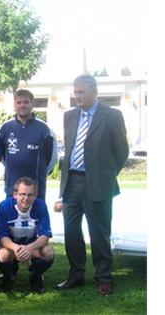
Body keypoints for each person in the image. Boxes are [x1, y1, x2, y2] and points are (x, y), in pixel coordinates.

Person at [54, 74, 129, 296]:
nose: (77, 96)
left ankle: (104, 277)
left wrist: (106, 174)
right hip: (72, 182)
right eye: (75, 92)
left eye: (81, 92)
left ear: (94, 91)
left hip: (98, 182)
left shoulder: (112, 115)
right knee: (71, 232)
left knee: (99, 232)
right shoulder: (69, 116)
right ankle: (76, 274)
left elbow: (121, 151)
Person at [0, 177, 54, 294]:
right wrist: (17, 248)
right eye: (22, 194)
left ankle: (36, 276)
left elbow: (45, 235)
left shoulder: (41, 205)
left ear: (35, 195)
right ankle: (8, 277)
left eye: (30, 195)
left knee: (49, 252)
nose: (26, 198)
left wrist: (29, 248)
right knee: (2, 255)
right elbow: (2, 236)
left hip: (32, 246)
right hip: (12, 246)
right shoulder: (4, 206)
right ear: (15, 194)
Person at [0, 89, 57, 201]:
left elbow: (51, 159)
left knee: (36, 218)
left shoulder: (44, 129)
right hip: (12, 189)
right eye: (19, 102)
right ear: (14, 105)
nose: (22, 105)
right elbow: (2, 157)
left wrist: (42, 172)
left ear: (32, 104)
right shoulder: (5, 128)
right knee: (11, 218)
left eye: (26, 102)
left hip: (36, 190)